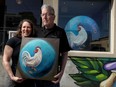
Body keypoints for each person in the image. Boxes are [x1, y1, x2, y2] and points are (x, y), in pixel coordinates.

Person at [36, 4, 71, 87]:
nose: (44, 17)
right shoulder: (37, 32)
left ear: (53, 16)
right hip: (37, 75)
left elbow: (65, 53)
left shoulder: (60, 32)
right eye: (42, 14)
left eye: (47, 14)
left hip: (52, 76)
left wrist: (62, 72)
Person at [2, 19, 37, 87]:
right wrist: (12, 76)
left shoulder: (35, 42)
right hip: (14, 79)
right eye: (24, 27)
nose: (26, 29)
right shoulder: (12, 41)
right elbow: (5, 60)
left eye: (28, 27)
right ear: (20, 28)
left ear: (32, 29)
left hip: (30, 80)